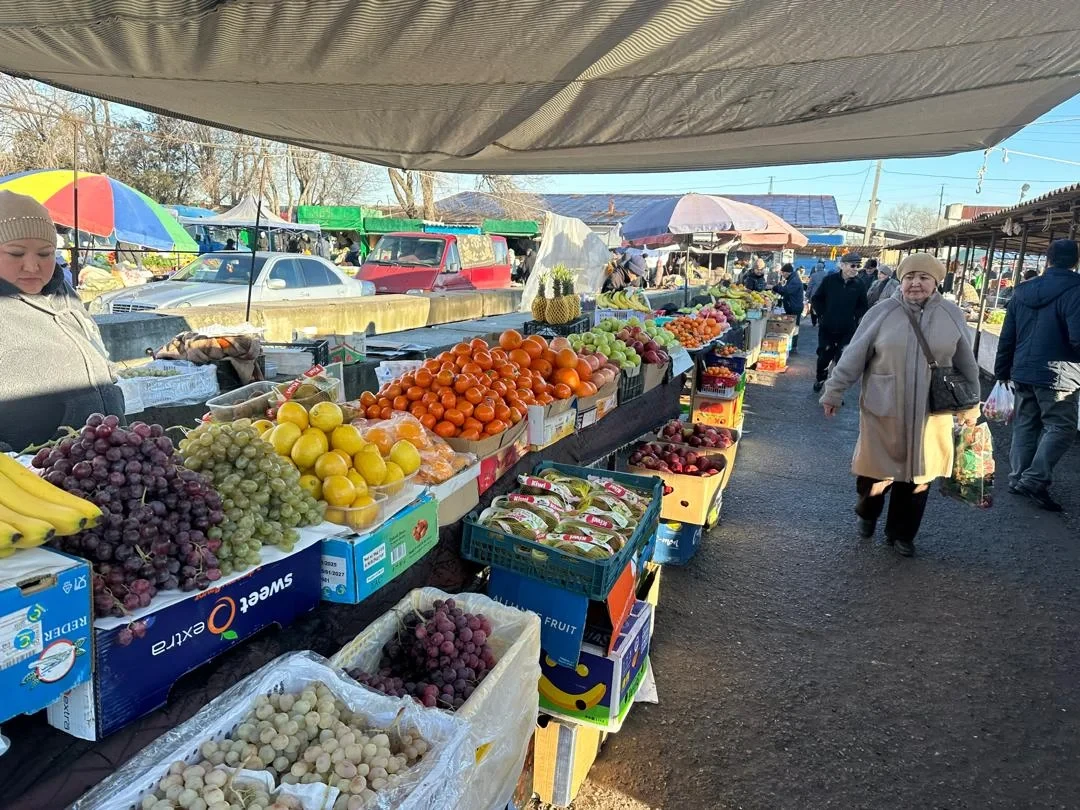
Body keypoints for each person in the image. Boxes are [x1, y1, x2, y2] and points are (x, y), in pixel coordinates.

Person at [820, 253, 980, 556]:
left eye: (923, 278)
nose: (915, 283)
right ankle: (867, 513)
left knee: (920, 476)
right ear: (900, 280)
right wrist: (834, 391)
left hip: (932, 411)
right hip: (884, 406)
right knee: (874, 472)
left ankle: (903, 533)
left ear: (936, 283)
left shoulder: (951, 314)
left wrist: (971, 405)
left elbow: (966, 363)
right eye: (909, 277)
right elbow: (854, 355)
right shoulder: (883, 312)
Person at [0, 191, 123, 452]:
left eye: (45, 254)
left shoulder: (63, 292)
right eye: (16, 253)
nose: (32, 266)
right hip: (35, 478)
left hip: (107, 465)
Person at [993, 239, 1080, 512]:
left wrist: (1002, 371)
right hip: (1059, 374)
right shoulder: (1077, 290)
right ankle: (1033, 478)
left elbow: (1008, 334)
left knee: (1026, 424)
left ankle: (1018, 477)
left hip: (1023, 370)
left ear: (1047, 260)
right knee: (1061, 427)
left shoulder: (1022, 291)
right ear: (1076, 262)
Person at [811, 252, 867, 392]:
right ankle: (820, 378)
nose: (855, 269)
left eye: (858, 266)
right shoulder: (829, 280)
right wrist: (822, 315)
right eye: (852, 265)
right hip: (827, 328)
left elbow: (863, 306)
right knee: (824, 356)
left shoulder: (860, 284)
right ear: (842, 265)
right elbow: (817, 299)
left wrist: (855, 318)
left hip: (847, 329)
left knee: (842, 360)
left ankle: (835, 390)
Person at [772, 263, 805, 352]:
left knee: (794, 327)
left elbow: (786, 291)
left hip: (794, 307)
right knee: (793, 326)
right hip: (793, 306)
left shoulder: (794, 280)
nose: (782, 275)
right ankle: (792, 345)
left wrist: (777, 288)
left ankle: (793, 346)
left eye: (782, 273)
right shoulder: (792, 278)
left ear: (787, 272)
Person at [806, 261, 831, 326]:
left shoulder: (813, 275)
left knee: (813, 308)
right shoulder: (827, 274)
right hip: (824, 295)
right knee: (822, 308)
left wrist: (807, 295)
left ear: (817, 268)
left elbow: (810, 286)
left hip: (814, 295)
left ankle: (814, 322)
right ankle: (820, 321)